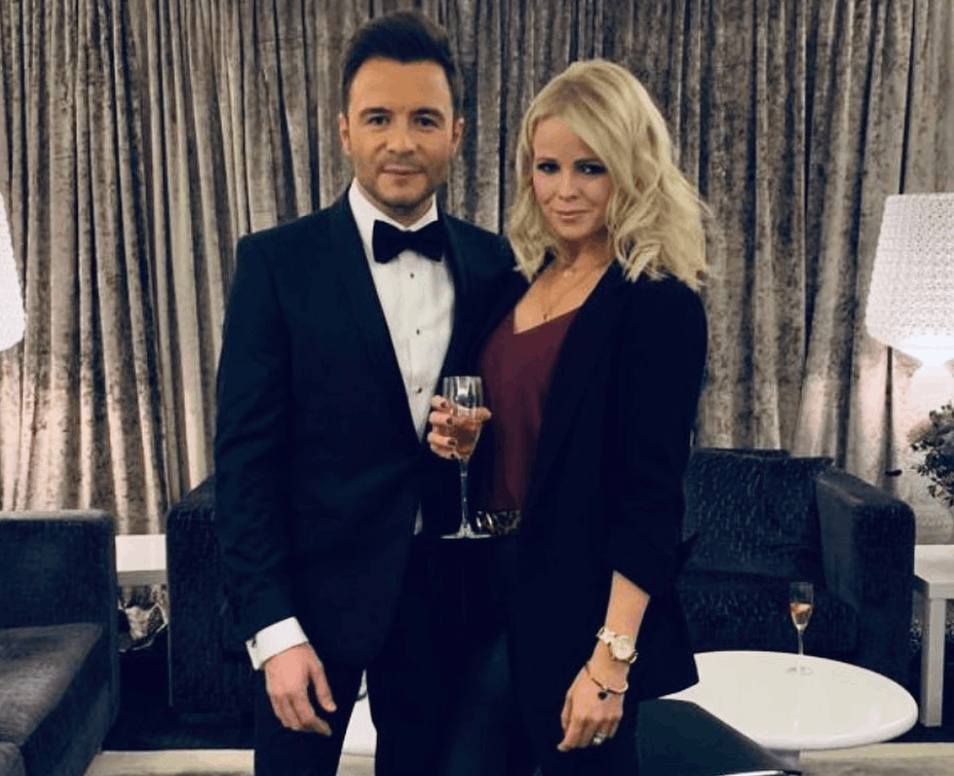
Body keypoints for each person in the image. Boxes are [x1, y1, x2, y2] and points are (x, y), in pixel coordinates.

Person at [213, 11, 513, 776]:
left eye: (424, 120)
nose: (401, 142)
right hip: (310, 607)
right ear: (345, 131)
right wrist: (273, 631)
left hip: (446, 606)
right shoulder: (275, 264)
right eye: (379, 118)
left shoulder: (495, 264)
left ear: (457, 133)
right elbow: (245, 464)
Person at [428, 59, 709, 775]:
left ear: (632, 169)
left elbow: (651, 499)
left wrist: (610, 662)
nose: (564, 190)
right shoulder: (510, 285)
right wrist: (465, 439)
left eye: (590, 167)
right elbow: (520, 429)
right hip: (485, 594)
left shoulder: (658, 304)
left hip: (583, 614)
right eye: (547, 167)